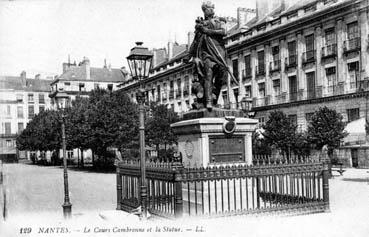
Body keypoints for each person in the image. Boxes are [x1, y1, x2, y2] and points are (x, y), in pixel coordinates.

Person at [188, 1, 228, 109]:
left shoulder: (219, 20)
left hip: (219, 52)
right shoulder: (200, 26)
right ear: (204, 11)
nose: (209, 11)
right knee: (208, 76)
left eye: (211, 8)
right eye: (206, 9)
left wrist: (208, 31)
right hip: (207, 53)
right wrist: (188, 56)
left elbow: (224, 32)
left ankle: (215, 95)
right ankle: (209, 101)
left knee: (221, 76)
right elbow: (195, 42)